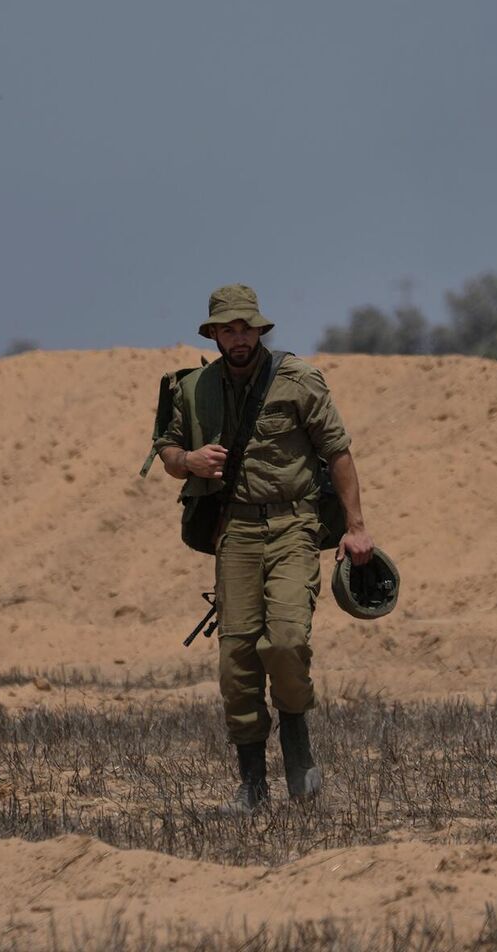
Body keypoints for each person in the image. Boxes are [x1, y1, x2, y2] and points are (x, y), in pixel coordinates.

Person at [154, 284, 377, 811]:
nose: (238, 337)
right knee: (237, 660)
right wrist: (188, 462)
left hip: (294, 526)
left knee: (285, 642)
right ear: (213, 335)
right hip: (234, 533)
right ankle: (252, 782)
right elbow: (165, 447)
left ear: (259, 329)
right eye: (227, 329)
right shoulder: (194, 389)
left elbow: (338, 451)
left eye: (245, 327)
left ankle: (298, 751)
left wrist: (357, 527)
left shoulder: (298, 380)